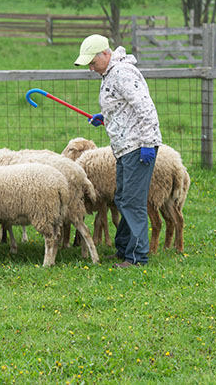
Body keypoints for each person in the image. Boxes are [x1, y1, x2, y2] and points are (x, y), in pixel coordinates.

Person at [74, 34, 162, 268]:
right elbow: (124, 105)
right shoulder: (109, 74)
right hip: (124, 147)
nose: (91, 68)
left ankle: (136, 257)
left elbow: (145, 107)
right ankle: (124, 249)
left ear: (105, 53)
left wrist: (148, 143)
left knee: (132, 201)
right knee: (123, 198)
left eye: (92, 62)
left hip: (137, 145)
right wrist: (106, 116)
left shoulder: (123, 73)